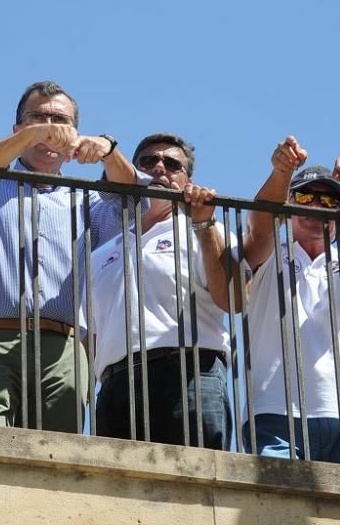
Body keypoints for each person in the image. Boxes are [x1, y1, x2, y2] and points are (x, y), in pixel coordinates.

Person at [0, 81, 139, 432]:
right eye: (37, 119)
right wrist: (38, 132)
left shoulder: (85, 201)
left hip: (61, 346)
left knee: (57, 457)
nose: (50, 130)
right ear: (17, 129)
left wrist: (108, 149)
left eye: (60, 122)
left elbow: (132, 203)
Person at [87, 133, 246, 449]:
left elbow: (233, 299)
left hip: (190, 376)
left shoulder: (206, 232)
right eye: (148, 161)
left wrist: (204, 226)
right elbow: (89, 334)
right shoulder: (102, 252)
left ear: (187, 181)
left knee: (197, 489)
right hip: (116, 385)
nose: (159, 167)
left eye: (172, 164)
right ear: (133, 174)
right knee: (118, 495)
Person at [241, 135, 340, 464]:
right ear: (288, 207)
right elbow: (259, 227)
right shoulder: (268, 255)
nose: (316, 206)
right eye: (305, 196)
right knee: (276, 513)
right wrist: (281, 171)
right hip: (273, 413)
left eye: (329, 201)